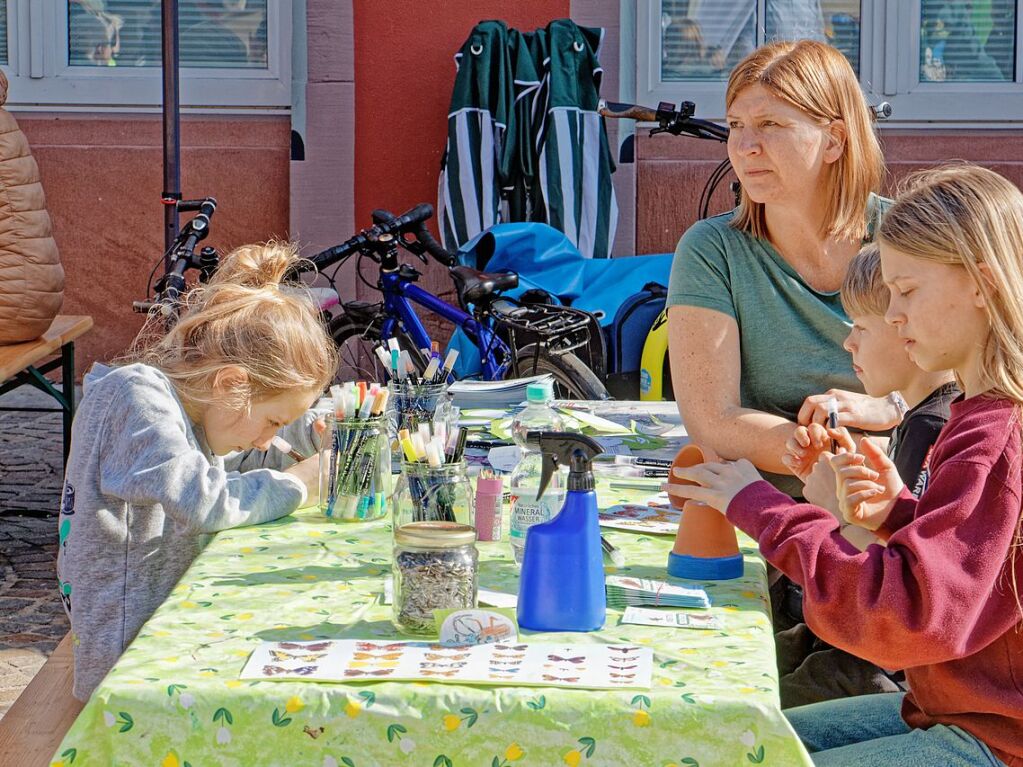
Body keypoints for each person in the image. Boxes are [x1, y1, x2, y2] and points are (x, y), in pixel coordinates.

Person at [666, 164, 1023, 765]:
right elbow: (979, 564)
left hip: (993, 740)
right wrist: (897, 514)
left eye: (906, 291)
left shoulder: (995, 436)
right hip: (955, 709)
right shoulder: (980, 416)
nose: (896, 314)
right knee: (729, 747)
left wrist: (762, 508)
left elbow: (905, 616)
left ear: (982, 286)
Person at [56, 241, 337, 701]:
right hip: (125, 660)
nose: (269, 439)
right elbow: (203, 499)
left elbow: (234, 462)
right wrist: (297, 485)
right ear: (231, 384)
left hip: (160, 626)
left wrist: (307, 437)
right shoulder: (135, 398)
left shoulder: (195, 408)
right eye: (273, 422)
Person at [666, 39, 890, 503]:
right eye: (735, 126)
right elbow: (713, 419)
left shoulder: (907, 238)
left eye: (770, 124)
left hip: (903, 510)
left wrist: (890, 407)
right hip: (773, 523)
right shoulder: (713, 250)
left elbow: (972, 389)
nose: (745, 146)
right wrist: (814, 453)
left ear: (834, 140)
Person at [774, 242, 959, 707]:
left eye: (859, 327)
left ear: (905, 329)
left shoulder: (932, 427)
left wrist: (833, 512)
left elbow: (897, 572)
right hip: (856, 648)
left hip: (877, 671)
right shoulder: (918, 416)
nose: (848, 343)